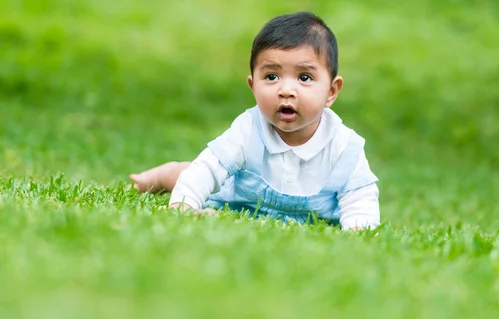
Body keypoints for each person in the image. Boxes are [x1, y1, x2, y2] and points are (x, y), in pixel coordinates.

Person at [130, 12, 380, 230]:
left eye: (304, 78)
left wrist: (360, 228)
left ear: (331, 91)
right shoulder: (249, 128)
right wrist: (182, 205)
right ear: (253, 85)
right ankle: (162, 175)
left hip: (313, 215)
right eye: (271, 76)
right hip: (240, 199)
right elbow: (209, 167)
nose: (286, 90)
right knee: (192, 173)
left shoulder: (344, 146)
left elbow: (359, 195)